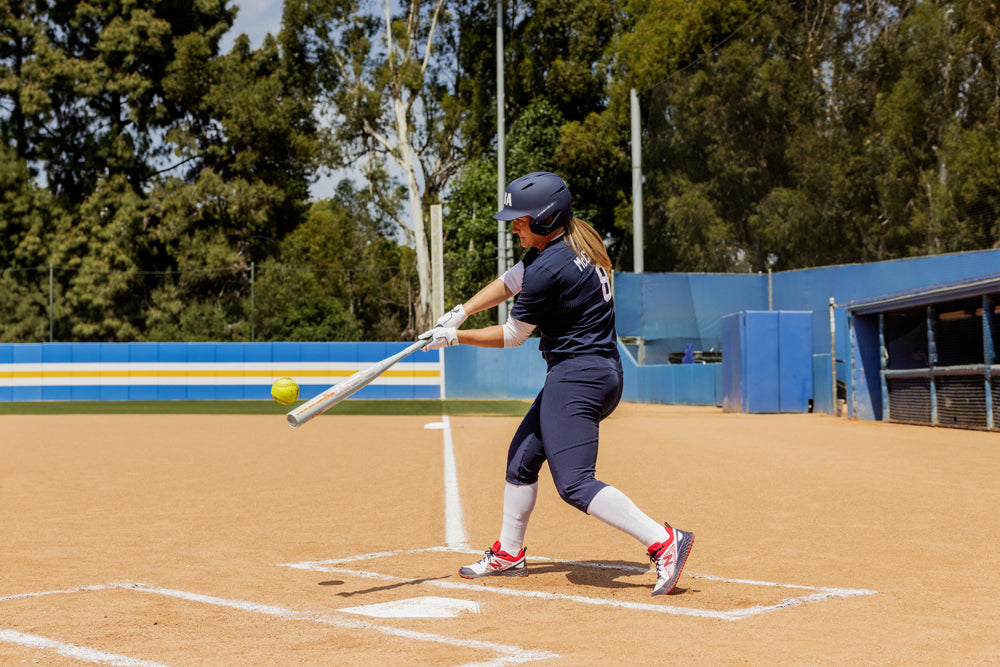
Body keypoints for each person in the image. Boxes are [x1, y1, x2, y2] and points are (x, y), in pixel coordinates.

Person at [419, 172, 693, 596]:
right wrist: (461, 311)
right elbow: (511, 280)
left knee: (575, 482)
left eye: (521, 219)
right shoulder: (570, 243)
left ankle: (663, 542)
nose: (513, 225)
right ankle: (509, 555)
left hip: (578, 375)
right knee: (522, 458)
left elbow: (513, 335)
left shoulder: (549, 267)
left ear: (546, 220)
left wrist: (456, 338)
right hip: (592, 370)